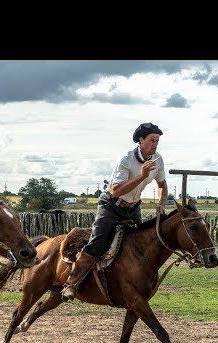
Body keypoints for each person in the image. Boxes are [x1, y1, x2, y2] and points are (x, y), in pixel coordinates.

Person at [61, 122, 168, 301]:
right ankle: (71, 284)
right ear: (140, 140)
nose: (155, 144)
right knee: (97, 244)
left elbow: (162, 185)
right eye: (151, 140)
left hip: (133, 208)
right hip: (111, 206)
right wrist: (141, 176)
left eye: (157, 141)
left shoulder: (158, 160)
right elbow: (117, 191)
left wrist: (162, 203)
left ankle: (131, 282)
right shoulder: (126, 159)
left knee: (138, 246)